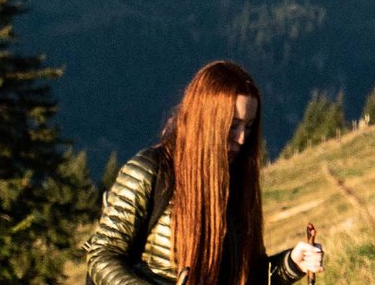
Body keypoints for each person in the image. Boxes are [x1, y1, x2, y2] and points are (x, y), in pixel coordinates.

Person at [84, 61, 326, 285]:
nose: (242, 138)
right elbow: (102, 255)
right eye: (232, 125)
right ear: (206, 120)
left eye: (249, 126)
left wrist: (292, 264)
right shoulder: (150, 171)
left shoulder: (237, 183)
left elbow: (247, 277)